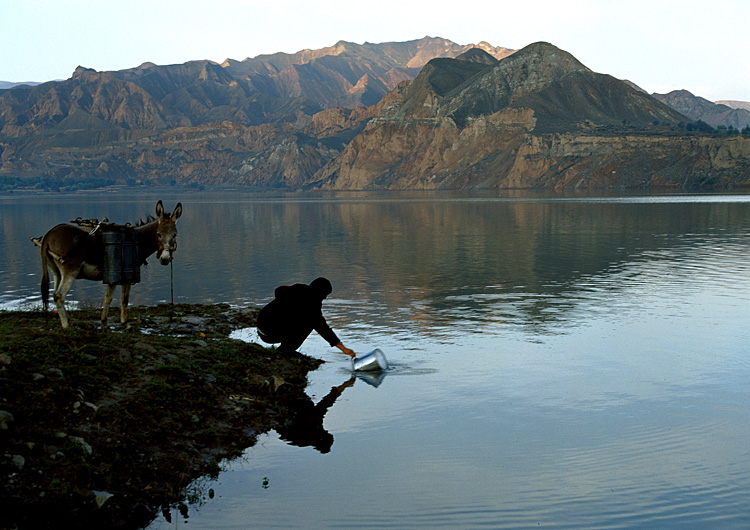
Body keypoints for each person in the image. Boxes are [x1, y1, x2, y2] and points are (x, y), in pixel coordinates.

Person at [257, 277, 355, 357]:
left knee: (299, 319)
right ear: (320, 293)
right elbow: (324, 329)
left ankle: (285, 348)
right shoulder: (313, 306)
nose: (325, 298)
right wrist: (343, 348)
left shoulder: (298, 288)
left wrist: (282, 306)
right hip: (270, 334)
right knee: (309, 324)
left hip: (260, 325)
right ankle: (285, 350)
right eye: (325, 295)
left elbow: (278, 290)